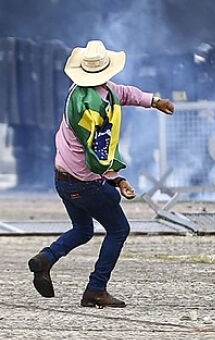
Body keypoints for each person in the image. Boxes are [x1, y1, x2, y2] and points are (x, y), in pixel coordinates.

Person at [27, 40, 175, 308]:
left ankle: (46, 259)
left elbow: (125, 93)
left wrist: (153, 101)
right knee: (119, 228)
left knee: (83, 230)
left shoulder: (86, 90)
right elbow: (98, 154)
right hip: (85, 182)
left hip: (63, 178)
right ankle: (96, 289)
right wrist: (118, 179)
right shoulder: (89, 110)